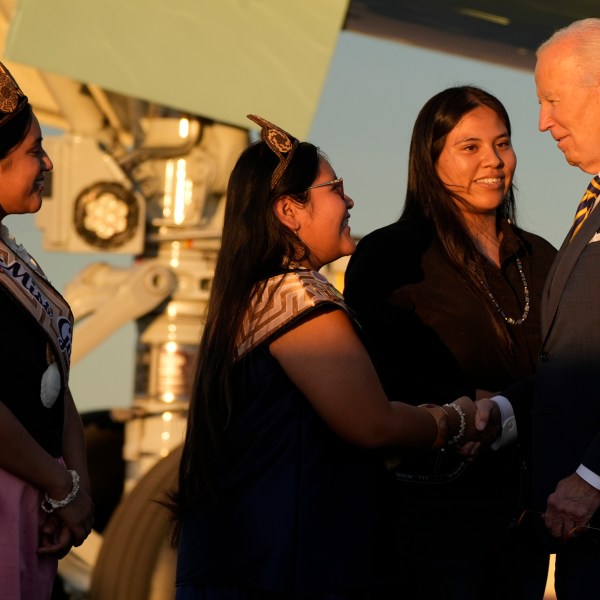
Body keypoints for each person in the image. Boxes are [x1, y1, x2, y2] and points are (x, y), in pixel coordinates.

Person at [171, 114, 493, 600]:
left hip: (245, 565)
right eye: (334, 188)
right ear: (289, 210)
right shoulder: (297, 299)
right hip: (290, 569)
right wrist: (454, 421)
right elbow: (371, 426)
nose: (349, 201)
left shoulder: (250, 299)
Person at [343, 86, 557, 600]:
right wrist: (468, 403)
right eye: (470, 147)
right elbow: (377, 377)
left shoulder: (544, 257)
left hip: (525, 515)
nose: (493, 161)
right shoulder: (391, 255)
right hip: (433, 509)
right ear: (430, 159)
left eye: (502, 144)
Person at [481, 18, 600, 599]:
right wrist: (501, 410)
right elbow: (571, 360)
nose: (542, 122)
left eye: (552, 100)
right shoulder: (589, 206)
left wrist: (595, 475)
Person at [0, 62, 94, 599]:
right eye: (36, 150)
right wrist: (61, 485)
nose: (49, 162)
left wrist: (73, 488)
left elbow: (55, 383)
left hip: (33, 496)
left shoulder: (13, 254)